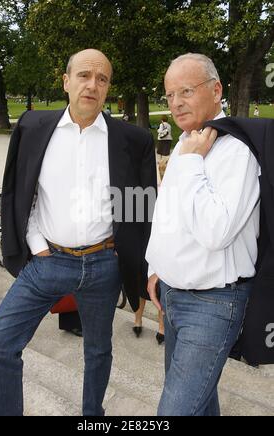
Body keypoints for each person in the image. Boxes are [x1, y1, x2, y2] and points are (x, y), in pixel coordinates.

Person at [0, 49, 157, 417]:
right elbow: (18, 190)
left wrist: (132, 262)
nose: (92, 85)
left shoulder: (133, 139)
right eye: (84, 76)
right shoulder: (32, 128)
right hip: (48, 261)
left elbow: (140, 211)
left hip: (104, 264)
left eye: (102, 79)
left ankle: (92, 416)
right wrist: (34, 243)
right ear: (66, 81)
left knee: (98, 350)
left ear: (108, 88)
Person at [146, 53, 260, 416]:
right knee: (201, 404)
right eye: (169, 95)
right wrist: (155, 267)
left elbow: (216, 231)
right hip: (172, 295)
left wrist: (192, 162)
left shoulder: (237, 149)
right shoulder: (185, 142)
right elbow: (166, 214)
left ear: (216, 90)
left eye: (186, 91)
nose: (176, 102)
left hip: (213, 303)